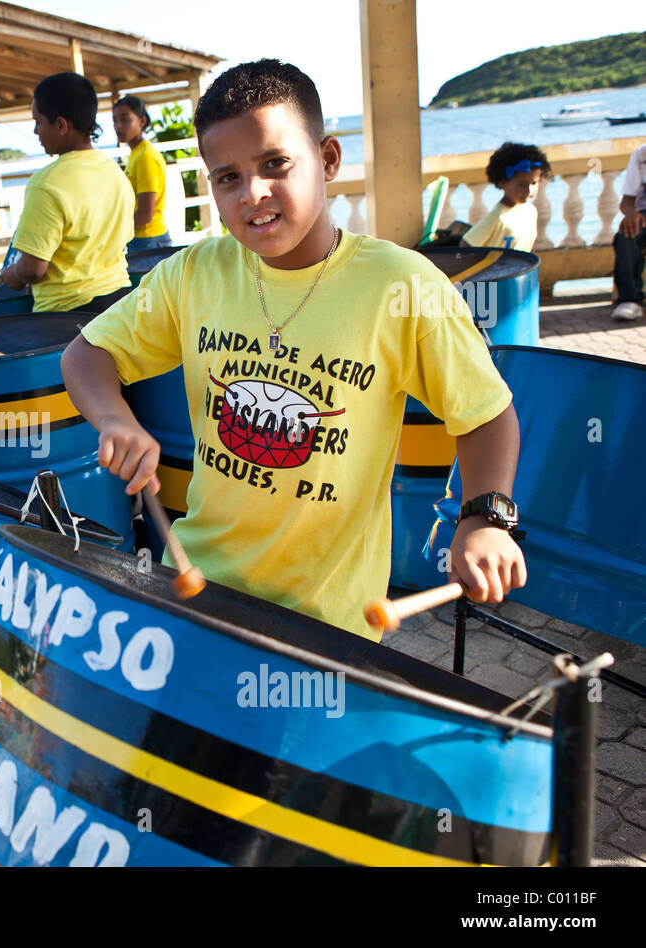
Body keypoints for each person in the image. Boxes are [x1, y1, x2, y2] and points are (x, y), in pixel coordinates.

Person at [61, 59, 526, 642]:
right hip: (202, 587)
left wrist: (485, 518)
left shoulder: (401, 285)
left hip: (328, 620)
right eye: (228, 177)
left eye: (275, 164)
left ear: (328, 160)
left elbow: (486, 414)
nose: (253, 194)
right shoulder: (193, 274)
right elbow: (86, 354)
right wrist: (114, 420)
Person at [1, 73, 133, 312]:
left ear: (61, 125)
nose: (35, 131)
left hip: (68, 316)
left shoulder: (45, 183)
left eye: (38, 122)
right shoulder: (114, 171)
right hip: (121, 303)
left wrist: (13, 274)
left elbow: (33, 268)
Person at [461, 143, 549, 252]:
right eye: (522, 184)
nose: (529, 190)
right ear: (503, 182)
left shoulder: (530, 211)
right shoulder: (497, 218)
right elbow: (465, 245)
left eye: (534, 183)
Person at [112, 94, 172, 252]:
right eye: (114, 120)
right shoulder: (136, 153)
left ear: (142, 121)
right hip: (142, 239)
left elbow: (145, 214)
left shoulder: (145, 157)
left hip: (149, 240)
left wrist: (114, 233)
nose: (118, 126)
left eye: (125, 119)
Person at [610, 142, 646, 322]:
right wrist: (631, 213)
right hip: (644, 215)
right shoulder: (641, 155)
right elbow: (627, 201)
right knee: (626, 235)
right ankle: (630, 299)